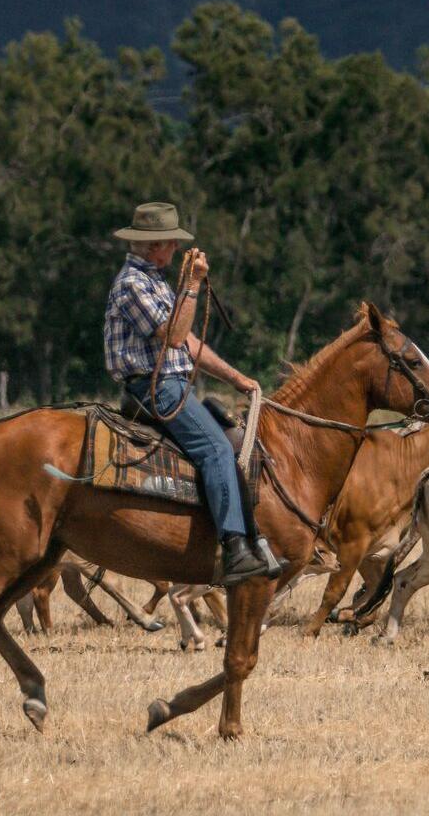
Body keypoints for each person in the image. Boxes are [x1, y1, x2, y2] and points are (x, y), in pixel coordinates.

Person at [104, 201, 268, 587]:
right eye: (171, 243)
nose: (176, 250)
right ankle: (234, 548)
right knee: (216, 450)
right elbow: (175, 336)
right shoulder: (132, 284)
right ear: (154, 245)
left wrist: (237, 379)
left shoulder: (157, 280)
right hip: (154, 388)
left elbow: (190, 344)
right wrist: (192, 286)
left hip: (172, 385)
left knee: (234, 440)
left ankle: (255, 538)